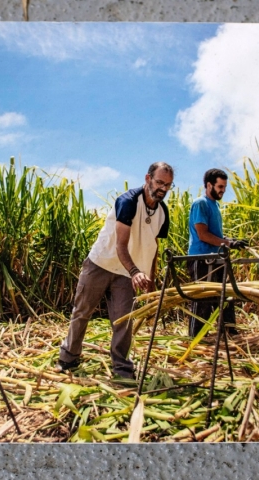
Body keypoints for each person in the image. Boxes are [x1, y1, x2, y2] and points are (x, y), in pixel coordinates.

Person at [58, 162, 174, 379]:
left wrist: (151, 276)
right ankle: (68, 358)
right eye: (159, 182)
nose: (163, 189)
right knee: (82, 312)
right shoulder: (128, 201)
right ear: (148, 178)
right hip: (101, 263)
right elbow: (121, 245)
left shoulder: (162, 213)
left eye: (168, 185)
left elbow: (154, 246)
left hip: (127, 272)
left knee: (124, 320)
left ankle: (121, 368)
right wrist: (135, 272)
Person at [187, 168, 247, 338]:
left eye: (224, 187)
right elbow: (203, 235)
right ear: (209, 185)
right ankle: (196, 337)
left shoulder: (214, 206)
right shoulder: (201, 203)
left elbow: (215, 235)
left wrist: (231, 240)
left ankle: (229, 332)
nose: (223, 190)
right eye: (220, 186)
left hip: (216, 258)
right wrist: (228, 243)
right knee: (202, 299)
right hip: (201, 259)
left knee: (225, 295)